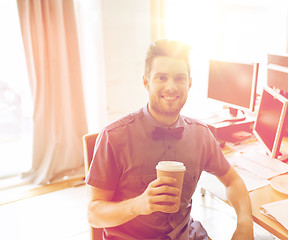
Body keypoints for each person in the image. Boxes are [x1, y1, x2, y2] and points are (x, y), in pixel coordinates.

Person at [85, 39, 254, 240]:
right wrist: (137, 205)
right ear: (146, 82)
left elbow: (233, 181)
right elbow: (93, 213)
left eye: (179, 78)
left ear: (189, 83)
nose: (171, 87)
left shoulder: (201, 135)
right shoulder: (113, 138)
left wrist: (245, 222)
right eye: (161, 78)